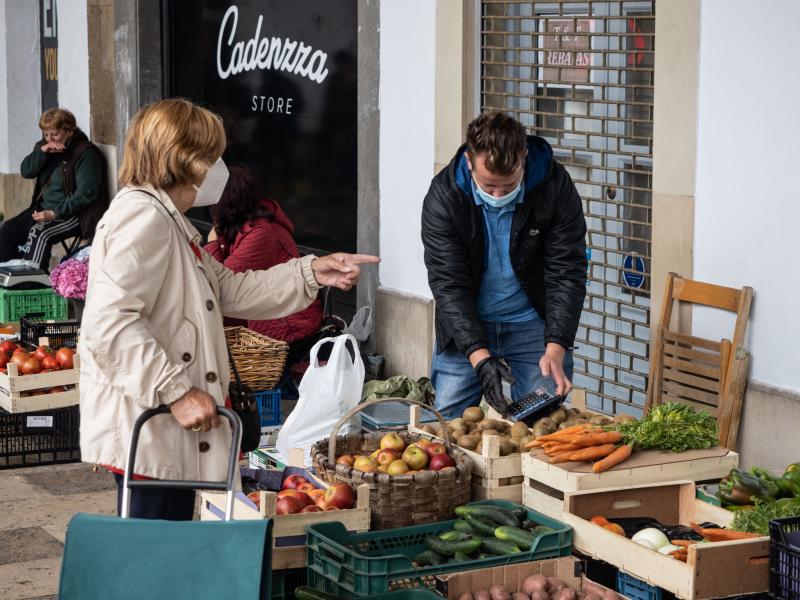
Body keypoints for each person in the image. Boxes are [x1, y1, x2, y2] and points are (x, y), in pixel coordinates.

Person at [78, 98, 378, 520]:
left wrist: (311, 272)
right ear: (185, 159)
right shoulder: (142, 219)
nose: (219, 166)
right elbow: (110, 325)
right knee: (152, 562)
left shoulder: (167, 217)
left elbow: (227, 288)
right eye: (213, 154)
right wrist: (177, 392)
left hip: (163, 429)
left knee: (169, 554)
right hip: (151, 427)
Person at [421, 111, 587, 420]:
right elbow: (449, 285)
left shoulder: (554, 185)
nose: (499, 195)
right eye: (488, 186)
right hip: (467, 323)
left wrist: (556, 346)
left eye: (509, 185)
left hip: (533, 325)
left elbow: (567, 270)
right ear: (470, 163)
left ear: (523, 158)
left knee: (544, 423)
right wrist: (480, 359)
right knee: (446, 425)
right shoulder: (445, 196)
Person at [204, 165, 323, 345]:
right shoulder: (236, 226)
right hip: (263, 318)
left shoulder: (261, 233)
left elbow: (221, 286)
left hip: (287, 327)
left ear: (224, 202)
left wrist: (212, 243)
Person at [0, 108, 108, 270]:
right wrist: (42, 152)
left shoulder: (86, 154)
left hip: (76, 214)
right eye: (46, 135)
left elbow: (87, 194)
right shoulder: (45, 148)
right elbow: (26, 171)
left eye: (55, 134)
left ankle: (31, 284)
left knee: (41, 234)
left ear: (70, 130)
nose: (49, 139)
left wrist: (54, 213)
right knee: (8, 230)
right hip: (43, 208)